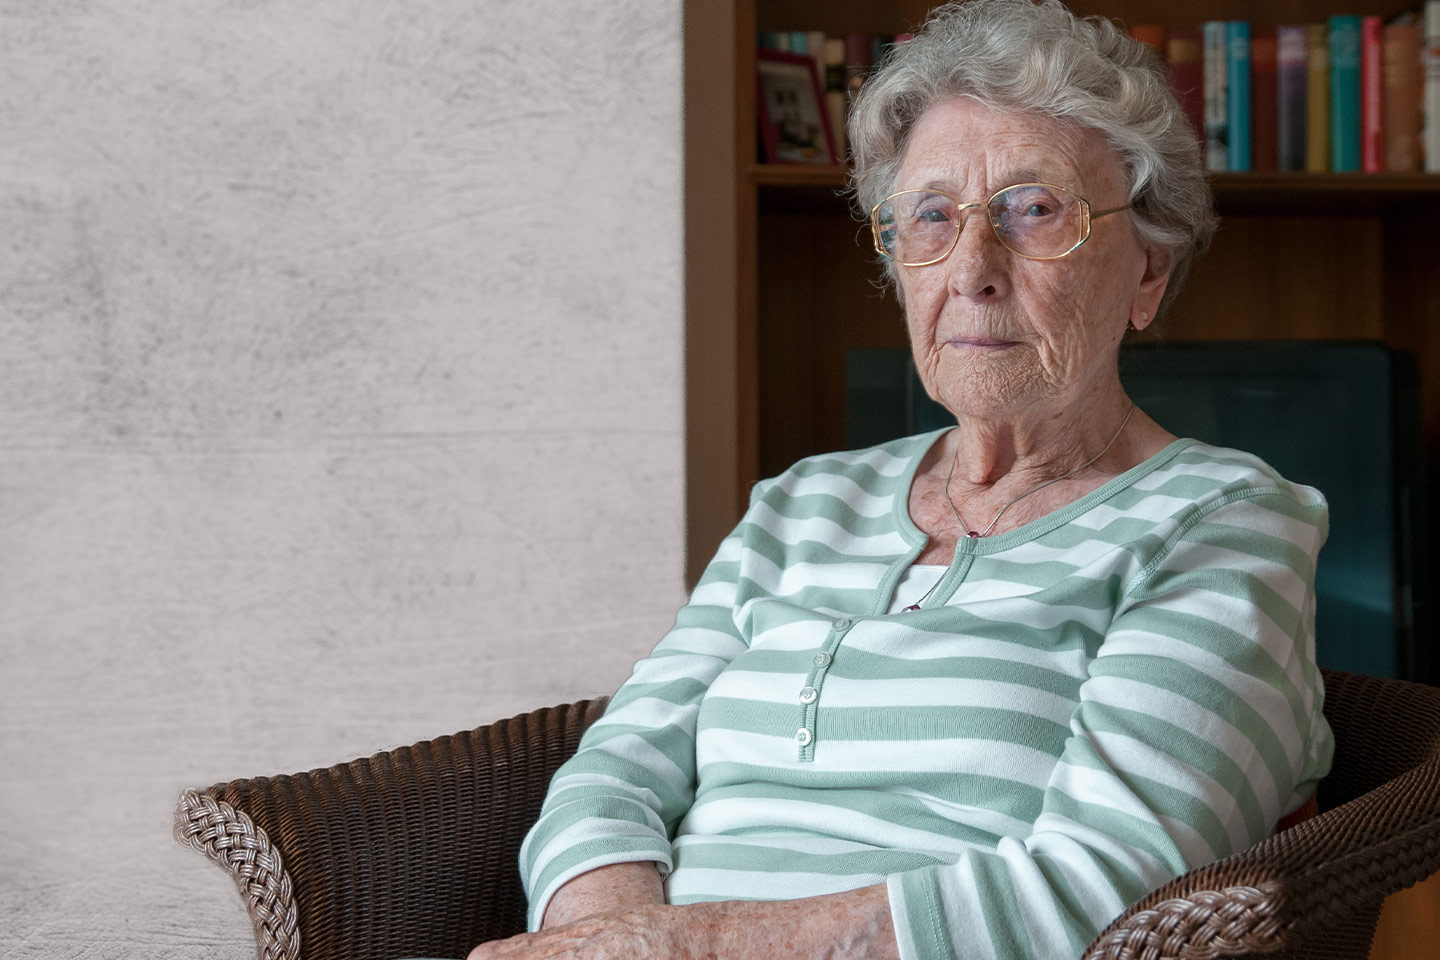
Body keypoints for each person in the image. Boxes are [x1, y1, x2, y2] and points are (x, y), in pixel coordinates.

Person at [467, 1, 1332, 957]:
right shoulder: (800, 505)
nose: (973, 269)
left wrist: (670, 950)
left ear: (1148, 273)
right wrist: (599, 939)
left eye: (1034, 210)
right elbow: (618, 769)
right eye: (931, 217)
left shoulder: (1222, 523)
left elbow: (1108, 884)